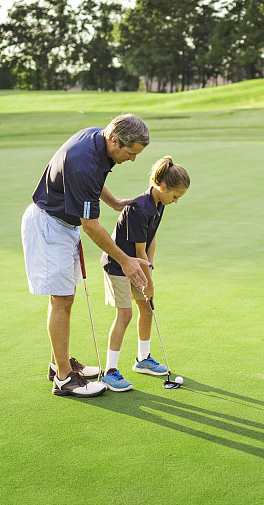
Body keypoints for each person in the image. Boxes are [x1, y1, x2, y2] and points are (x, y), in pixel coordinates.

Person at [21, 114, 153, 397]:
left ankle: (59, 362)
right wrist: (125, 260)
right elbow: (91, 226)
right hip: (48, 226)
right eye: (130, 153)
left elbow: (94, 182)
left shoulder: (99, 139)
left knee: (64, 299)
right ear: (115, 140)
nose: (132, 160)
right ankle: (64, 378)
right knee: (62, 301)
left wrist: (114, 202)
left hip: (62, 225)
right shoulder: (85, 162)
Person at [98, 156, 190, 392]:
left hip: (137, 263)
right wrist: (148, 283)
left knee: (146, 308)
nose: (176, 201)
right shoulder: (141, 208)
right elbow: (138, 251)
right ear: (163, 187)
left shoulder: (159, 204)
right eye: (175, 196)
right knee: (125, 314)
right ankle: (110, 371)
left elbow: (151, 241)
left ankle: (143, 359)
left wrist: (151, 272)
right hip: (118, 265)